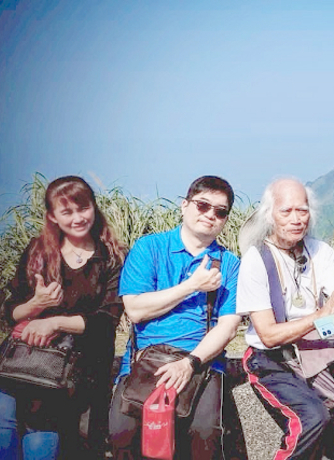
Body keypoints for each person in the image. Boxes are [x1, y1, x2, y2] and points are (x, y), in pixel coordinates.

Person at [236, 178, 334, 460]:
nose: (296, 219)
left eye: (302, 210)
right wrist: (321, 315)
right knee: (310, 421)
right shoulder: (256, 259)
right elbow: (268, 335)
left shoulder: (320, 251)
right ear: (270, 215)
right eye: (286, 211)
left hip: (317, 355)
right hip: (273, 360)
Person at [0, 175, 125, 459]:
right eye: (67, 212)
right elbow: (11, 311)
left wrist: (54, 322)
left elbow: (106, 320)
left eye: (83, 208)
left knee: (41, 426)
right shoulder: (38, 251)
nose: (77, 218)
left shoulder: (112, 257)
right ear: (52, 216)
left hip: (76, 365)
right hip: (23, 356)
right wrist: (36, 304)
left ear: (94, 207)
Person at [108, 175, 241, 460]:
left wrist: (190, 363)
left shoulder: (230, 264)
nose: (210, 215)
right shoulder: (149, 248)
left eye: (220, 211)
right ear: (184, 205)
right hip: (146, 359)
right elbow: (135, 310)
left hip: (201, 362)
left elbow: (228, 327)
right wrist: (192, 286)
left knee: (204, 433)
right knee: (122, 432)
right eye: (202, 205)